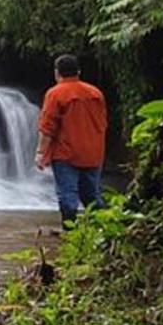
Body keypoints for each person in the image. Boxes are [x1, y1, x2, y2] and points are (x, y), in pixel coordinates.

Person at [35, 54, 107, 227]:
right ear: (79, 72)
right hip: (93, 152)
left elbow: (47, 127)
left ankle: (70, 231)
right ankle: (103, 231)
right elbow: (103, 122)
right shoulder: (95, 93)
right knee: (92, 195)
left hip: (66, 154)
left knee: (67, 194)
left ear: (57, 73)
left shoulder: (55, 94)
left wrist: (40, 152)